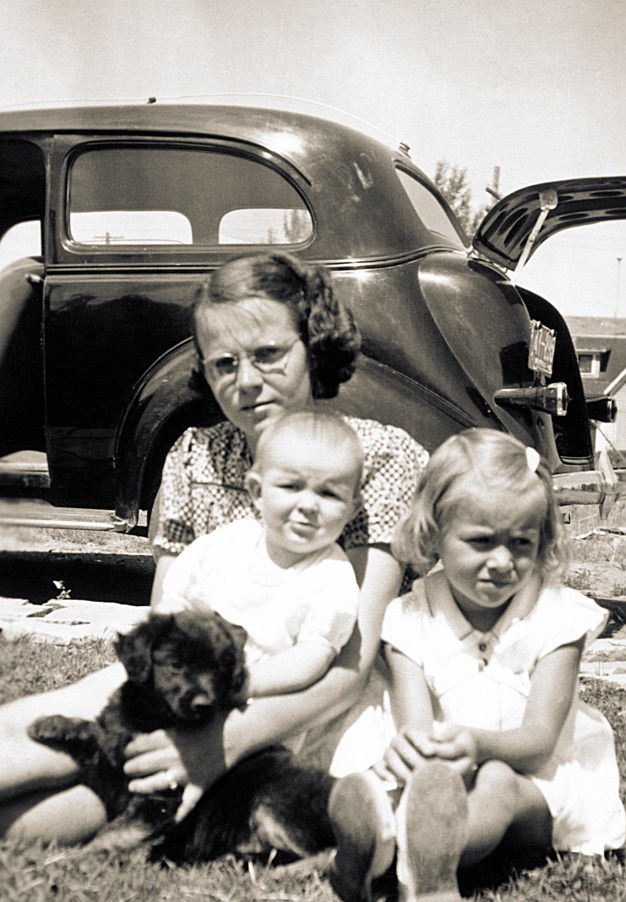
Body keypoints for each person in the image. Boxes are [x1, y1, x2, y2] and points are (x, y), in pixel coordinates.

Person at [0, 251, 428, 843]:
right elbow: (164, 623)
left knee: (90, 800)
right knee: (48, 726)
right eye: (223, 363)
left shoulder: (376, 456)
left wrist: (223, 743)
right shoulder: (195, 455)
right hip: (188, 690)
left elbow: (348, 666)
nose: (246, 381)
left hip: (302, 704)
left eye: (269, 354)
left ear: (314, 344)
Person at [328, 428, 626, 902]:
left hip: (536, 787)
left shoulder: (557, 618)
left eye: (521, 543)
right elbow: (415, 727)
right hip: (441, 784)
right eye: (481, 541)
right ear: (435, 532)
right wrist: (417, 752)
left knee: (497, 783)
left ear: (542, 541)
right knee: (404, 786)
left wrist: (474, 744)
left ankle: (429, 860)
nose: (503, 561)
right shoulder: (409, 619)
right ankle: (374, 842)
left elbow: (538, 745)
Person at [156, 409, 363, 699]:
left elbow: (312, 656)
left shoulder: (332, 575)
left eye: (328, 494)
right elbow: (174, 604)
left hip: (267, 697)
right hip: (192, 680)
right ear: (257, 491)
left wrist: (244, 685)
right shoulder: (225, 545)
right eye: (291, 487)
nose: (308, 505)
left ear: (350, 510)